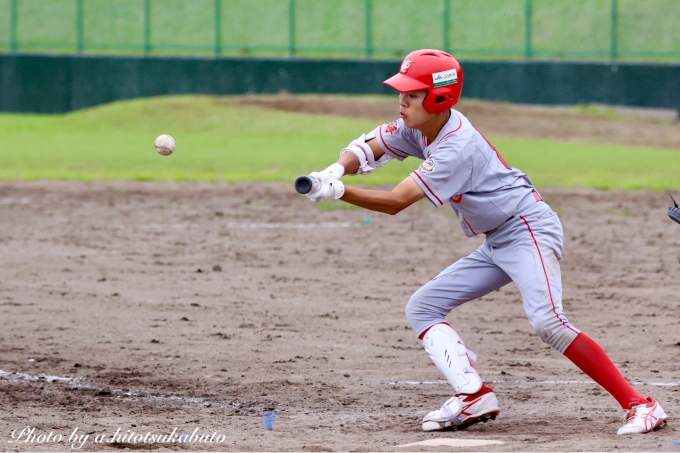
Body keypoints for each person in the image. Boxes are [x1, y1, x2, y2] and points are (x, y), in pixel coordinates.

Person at [300, 49, 667, 435]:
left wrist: (339, 191)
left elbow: (396, 202)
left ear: (440, 98)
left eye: (412, 94)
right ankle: (472, 395)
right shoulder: (418, 126)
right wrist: (333, 170)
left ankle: (642, 405)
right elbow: (366, 147)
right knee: (423, 307)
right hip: (499, 239)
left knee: (548, 321)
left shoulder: (455, 146)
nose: (402, 101)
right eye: (402, 92)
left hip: (527, 228)